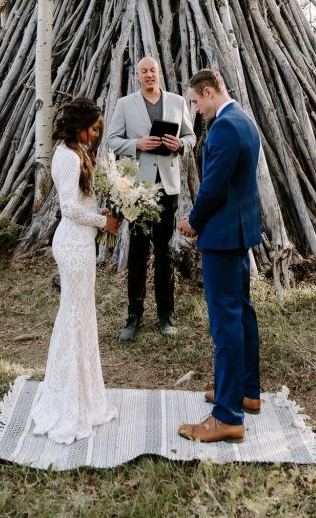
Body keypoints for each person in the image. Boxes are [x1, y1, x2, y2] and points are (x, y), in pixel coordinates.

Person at [177, 68, 262, 444]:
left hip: (222, 235)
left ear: (209, 92)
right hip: (239, 231)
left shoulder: (225, 127)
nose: (195, 110)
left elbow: (213, 186)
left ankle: (227, 416)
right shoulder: (244, 120)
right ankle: (247, 392)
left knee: (225, 324)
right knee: (241, 314)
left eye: (196, 102)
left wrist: (193, 221)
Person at [29, 97, 121, 444]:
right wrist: (102, 222)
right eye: (93, 128)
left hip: (82, 243)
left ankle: (82, 392)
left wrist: (105, 210)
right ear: (78, 125)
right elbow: (68, 208)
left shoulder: (78, 152)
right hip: (72, 245)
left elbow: (84, 200)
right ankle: (69, 398)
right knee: (74, 317)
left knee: (80, 317)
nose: (96, 134)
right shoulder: (66, 157)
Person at [106, 56, 196, 341]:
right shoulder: (125, 104)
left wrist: (180, 144)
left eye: (152, 70)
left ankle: (166, 315)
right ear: (137, 75)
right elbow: (112, 140)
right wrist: (137, 144)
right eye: (143, 71)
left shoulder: (177, 102)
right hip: (138, 191)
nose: (149, 75)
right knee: (137, 251)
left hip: (168, 188)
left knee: (165, 251)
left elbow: (191, 137)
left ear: (159, 74)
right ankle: (134, 316)